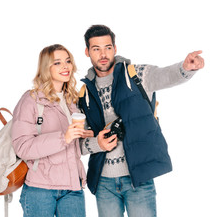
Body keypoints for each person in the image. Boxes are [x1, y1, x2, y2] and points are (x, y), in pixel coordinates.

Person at [78, 25, 204, 217]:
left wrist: (186, 68)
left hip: (138, 178)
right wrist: (98, 143)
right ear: (87, 51)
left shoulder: (135, 74)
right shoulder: (83, 94)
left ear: (115, 48)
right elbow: (78, 144)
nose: (103, 54)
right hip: (104, 183)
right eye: (96, 49)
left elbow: (165, 76)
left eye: (108, 47)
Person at [11, 44, 93, 217]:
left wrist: (89, 138)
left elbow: (74, 148)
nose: (65, 66)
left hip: (73, 188)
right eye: (57, 63)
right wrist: (64, 137)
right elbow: (23, 147)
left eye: (68, 61)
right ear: (46, 67)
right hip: (40, 190)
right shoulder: (31, 100)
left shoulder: (73, 100)